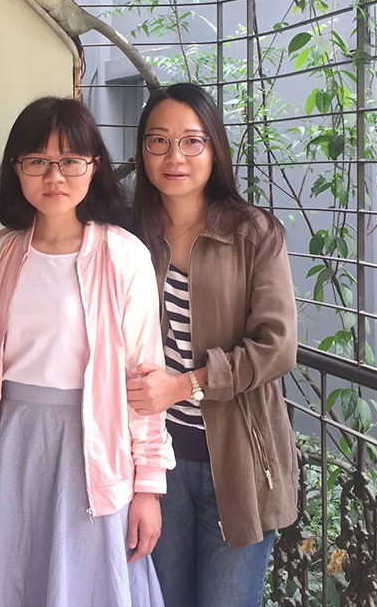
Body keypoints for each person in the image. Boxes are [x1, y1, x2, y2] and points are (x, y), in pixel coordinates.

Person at [0, 97, 174, 607]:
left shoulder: (123, 255)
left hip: (95, 449)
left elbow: (144, 378)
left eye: (71, 161)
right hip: (10, 446)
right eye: (38, 161)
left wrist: (148, 488)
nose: (55, 176)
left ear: (94, 166)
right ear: (17, 168)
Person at [126, 82, 299, 607]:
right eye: (158, 141)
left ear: (214, 148)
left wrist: (184, 385)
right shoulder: (126, 237)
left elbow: (277, 346)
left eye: (191, 141)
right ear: (142, 150)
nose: (174, 156)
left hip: (239, 464)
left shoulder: (253, 233)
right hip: (153, 464)